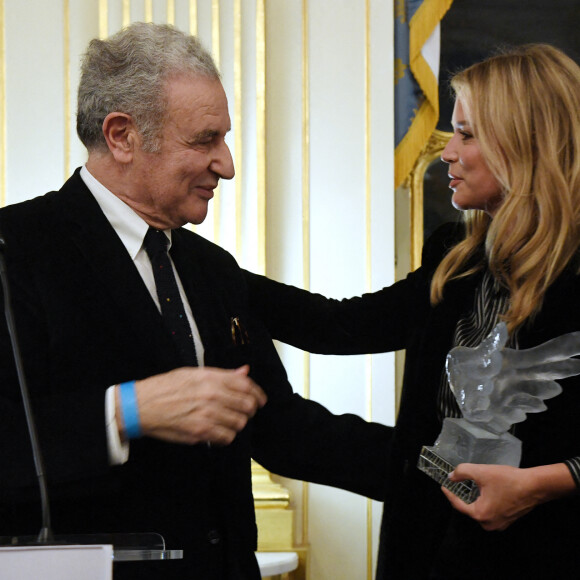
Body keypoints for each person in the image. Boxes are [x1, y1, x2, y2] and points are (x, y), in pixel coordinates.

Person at [0, 22, 391, 580]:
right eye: (204, 140)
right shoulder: (15, 253)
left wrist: (438, 470)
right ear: (122, 135)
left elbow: (276, 424)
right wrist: (123, 412)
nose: (226, 164)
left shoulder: (211, 270)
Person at [246, 44, 580, 579]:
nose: (447, 151)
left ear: (527, 141)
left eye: (467, 134)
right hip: (429, 552)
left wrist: (548, 481)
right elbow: (340, 325)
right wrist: (201, 269)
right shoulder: (457, 257)